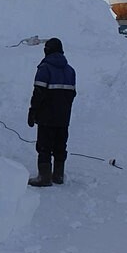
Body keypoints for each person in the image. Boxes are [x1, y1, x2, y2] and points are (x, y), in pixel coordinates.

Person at [27, 37, 76, 187]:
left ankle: (44, 177)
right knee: (61, 145)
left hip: (46, 117)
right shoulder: (70, 70)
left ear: (47, 51)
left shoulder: (45, 68)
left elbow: (39, 93)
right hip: (63, 117)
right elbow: (72, 95)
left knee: (44, 146)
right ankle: (58, 176)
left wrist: (33, 111)